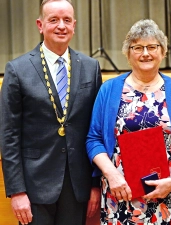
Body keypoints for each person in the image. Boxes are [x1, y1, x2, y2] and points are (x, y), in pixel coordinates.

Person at [86, 19, 171, 225]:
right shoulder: (109, 89)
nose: (145, 53)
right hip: (119, 194)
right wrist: (111, 175)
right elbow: (93, 140)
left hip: (168, 195)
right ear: (128, 54)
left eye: (152, 47)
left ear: (163, 52)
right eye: (137, 47)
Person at [0, 0, 103, 225]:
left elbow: (96, 131)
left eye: (67, 20)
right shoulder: (17, 70)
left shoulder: (90, 67)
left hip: (77, 186)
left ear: (74, 25)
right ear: (40, 24)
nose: (61, 26)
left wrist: (95, 184)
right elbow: (9, 136)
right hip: (34, 186)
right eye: (53, 20)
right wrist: (17, 191)